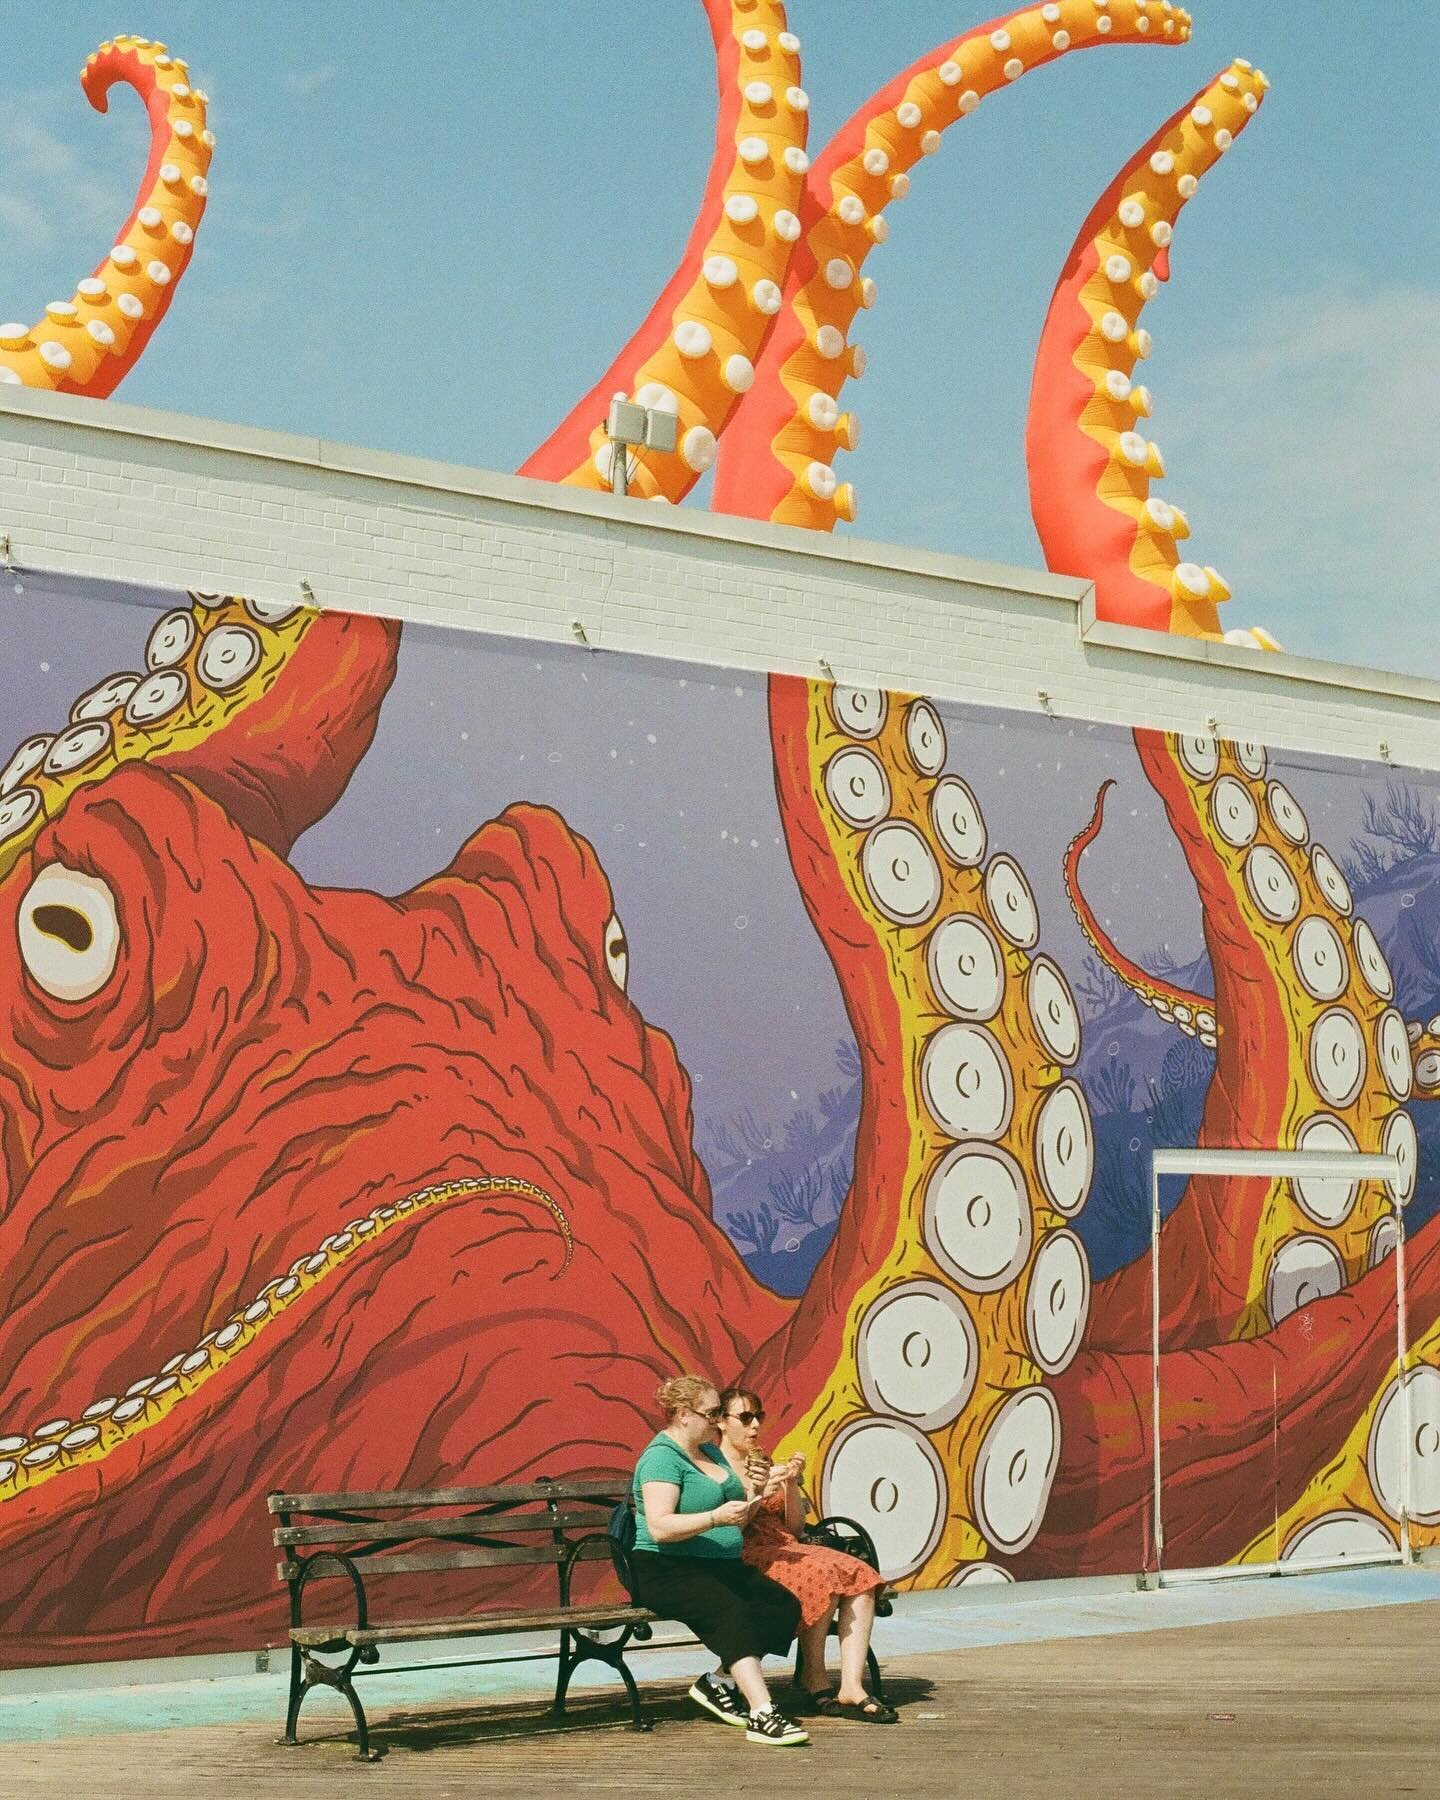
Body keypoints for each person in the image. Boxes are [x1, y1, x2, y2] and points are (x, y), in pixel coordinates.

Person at [630, 1373, 810, 1747]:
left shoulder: (710, 1453)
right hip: (667, 1568)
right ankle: (762, 1712)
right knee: (732, 1611)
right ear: (683, 1414)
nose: (716, 1421)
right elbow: (660, 1527)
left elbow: (739, 1511)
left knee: (781, 1606)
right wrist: (714, 1518)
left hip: (719, 1564)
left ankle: (719, 1682)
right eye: (711, 1413)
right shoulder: (661, 1459)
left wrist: (761, 1487)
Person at [716, 1386, 897, 1723]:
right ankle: (814, 1676)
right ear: (722, 1423)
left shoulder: (763, 1459)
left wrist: (790, 1485)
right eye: (745, 1417)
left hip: (785, 1545)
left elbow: (796, 1527)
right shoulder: (716, 1467)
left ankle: (852, 1686)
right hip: (746, 1552)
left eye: (758, 1416)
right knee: (820, 1573)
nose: (755, 1425)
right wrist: (756, 1494)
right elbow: (731, 1530)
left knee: (859, 1573)